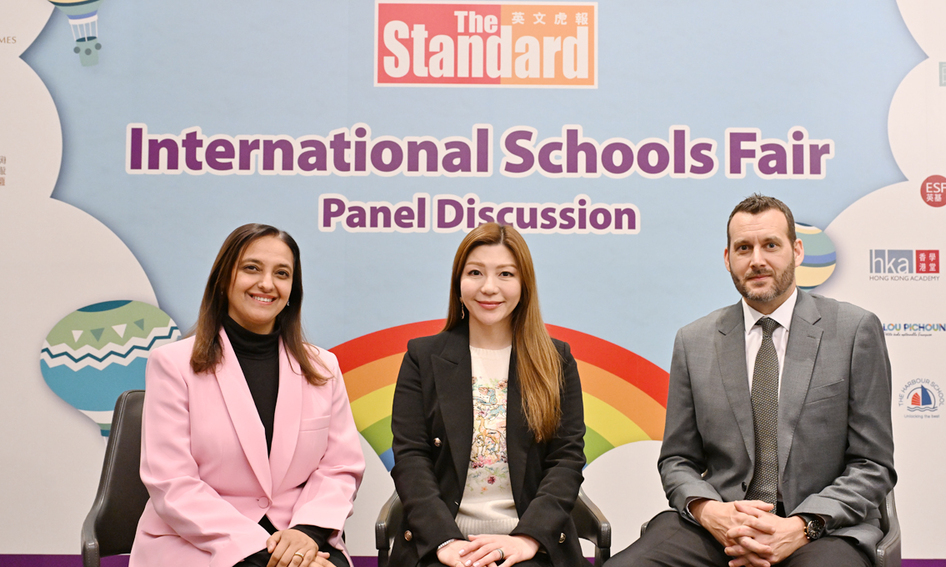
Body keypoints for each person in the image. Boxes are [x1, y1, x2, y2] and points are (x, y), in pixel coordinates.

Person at [608, 195, 895, 567]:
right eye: (744, 248)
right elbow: (677, 459)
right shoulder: (694, 341)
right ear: (728, 259)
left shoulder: (854, 331)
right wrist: (710, 511)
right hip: (720, 529)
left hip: (823, 530)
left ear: (797, 251)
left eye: (771, 245)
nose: (757, 260)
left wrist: (801, 526)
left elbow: (873, 464)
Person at [131, 224, 365, 567]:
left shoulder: (323, 367)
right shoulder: (172, 365)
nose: (267, 284)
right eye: (251, 268)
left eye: (282, 273)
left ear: (292, 290)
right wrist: (262, 550)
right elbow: (172, 483)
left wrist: (307, 534)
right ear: (224, 279)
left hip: (299, 535)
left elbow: (340, 467)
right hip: (197, 542)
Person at [388, 223, 587, 567]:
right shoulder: (422, 357)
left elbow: (566, 459)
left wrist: (527, 539)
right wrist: (445, 540)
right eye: (475, 272)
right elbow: (411, 458)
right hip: (443, 544)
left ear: (524, 285)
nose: (489, 287)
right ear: (458, 283)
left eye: (506, 274)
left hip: (529, 545)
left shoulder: (556, 360)